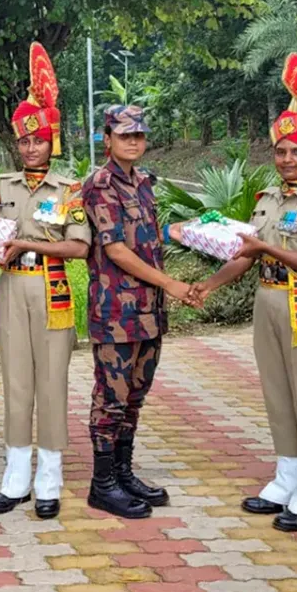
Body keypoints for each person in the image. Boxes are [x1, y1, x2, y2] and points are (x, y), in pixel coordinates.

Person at [187, 54, 297, 532]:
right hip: (269, 302)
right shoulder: (269, 200)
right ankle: (287, 476)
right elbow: (246, 253)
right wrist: (207, 286)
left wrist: (265, 247)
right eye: (281, 152)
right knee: (277, 394)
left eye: (296, 152)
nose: (287, 159)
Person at [0, 44, 89, 519]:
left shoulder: (70, 190)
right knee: (15, 381)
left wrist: (30, 243)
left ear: (51, 141)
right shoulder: (2, 187)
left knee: (51, 382)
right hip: (12, 286)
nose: (32, 147)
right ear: (17, 143)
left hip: (52, 287)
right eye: (25, 141)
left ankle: (49, 475)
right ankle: (15, 473)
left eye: (40, 140)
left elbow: (79, 247)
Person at [80, 104, 199, 519]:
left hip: (149, 311)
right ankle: (102, 484)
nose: (133, 141)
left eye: (139, 135)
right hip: (116, 310)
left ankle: (124, 473)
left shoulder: (144, 182)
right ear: (107, 138)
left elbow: (143, 235)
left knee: (134, 396)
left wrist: (181, 232)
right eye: (124, 134)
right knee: (110, 398)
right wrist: (171, 284)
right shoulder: (99, 185)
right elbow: (114, 249)